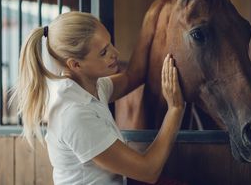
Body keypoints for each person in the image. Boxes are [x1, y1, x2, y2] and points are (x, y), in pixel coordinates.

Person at [11, 11, 185, 185]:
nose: (115, 53)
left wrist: (151, 21)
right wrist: (175, 109)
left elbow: (132, 76)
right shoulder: (74, 113)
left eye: (110, 43)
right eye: (103, 52)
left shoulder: (92, 87)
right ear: (75, 64)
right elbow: (148, 171)